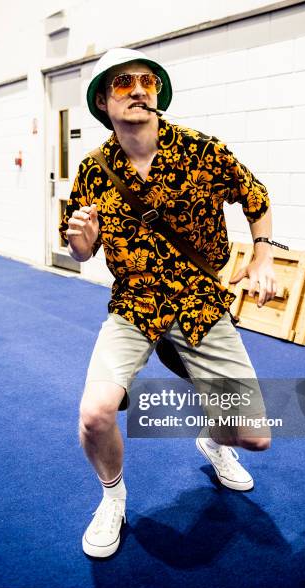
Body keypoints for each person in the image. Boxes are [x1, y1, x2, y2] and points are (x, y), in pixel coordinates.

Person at [59, 47, 277, 558]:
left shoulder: (201, 151)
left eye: (147, 82)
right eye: (122, 84)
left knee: (255, 437)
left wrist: (263, 258)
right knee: (95, 413)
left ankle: (213, 441)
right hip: (134, 305)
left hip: (200, 303)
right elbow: (80, 251)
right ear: (102, 102)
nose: (138, 89)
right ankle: (113, 496)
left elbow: (257, 197)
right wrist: (81, 239)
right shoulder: (94, 171)